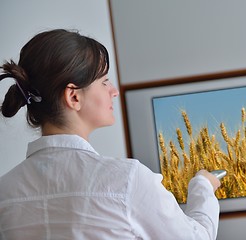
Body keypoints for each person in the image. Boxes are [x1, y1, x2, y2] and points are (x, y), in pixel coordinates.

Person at [0, 29, 221, 239]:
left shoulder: (5, 191)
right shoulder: (127, 180)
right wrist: (202, 186)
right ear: (74, 97)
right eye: (104, 81)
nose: (113, 91)